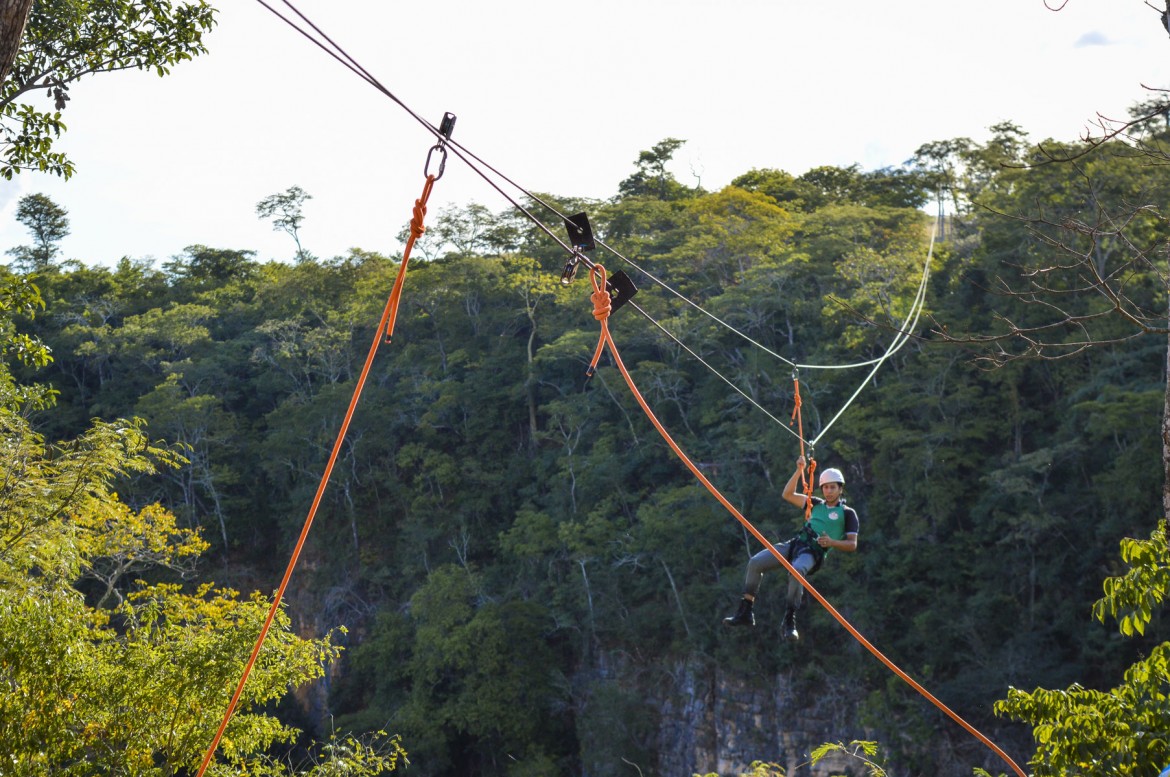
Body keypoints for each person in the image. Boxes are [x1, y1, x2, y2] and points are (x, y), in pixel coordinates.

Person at [722, 455, 859, 641]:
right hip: (796, 544)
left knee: (797, 570)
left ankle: (789, 620)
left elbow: (852, 544)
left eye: (832, 487)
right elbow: (787, 494)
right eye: (825, 487)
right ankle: (746, 611)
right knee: (755, 563)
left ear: (840, 489)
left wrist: (832, 543)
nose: (828, 491)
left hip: (814, 552)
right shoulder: (815, 504)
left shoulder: (847, 514)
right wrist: (799, 470)